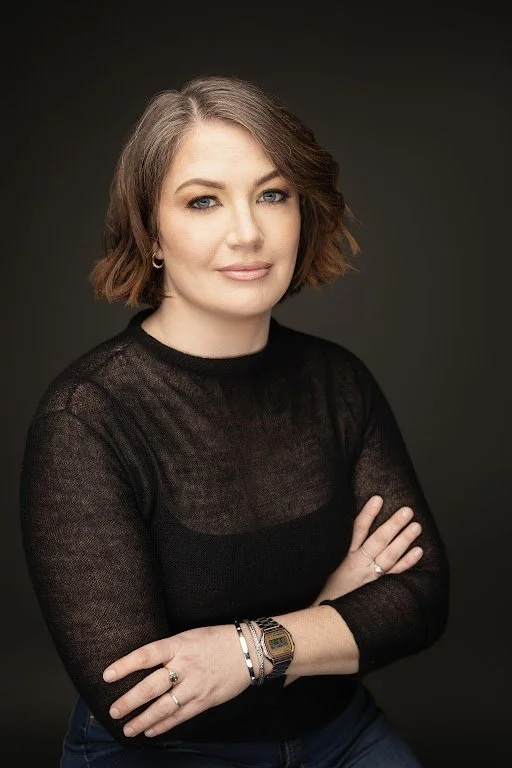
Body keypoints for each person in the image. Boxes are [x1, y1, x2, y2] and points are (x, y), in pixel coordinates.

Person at [19, 75, 450, 768]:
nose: (247, 233)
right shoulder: (86, 419)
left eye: (272, 195)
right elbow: (140, 699)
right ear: (151, 235)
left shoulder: (338, 381)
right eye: (203, 201)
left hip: (341, 735)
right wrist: (330, 617)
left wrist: (248, 649)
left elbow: (421, 600)